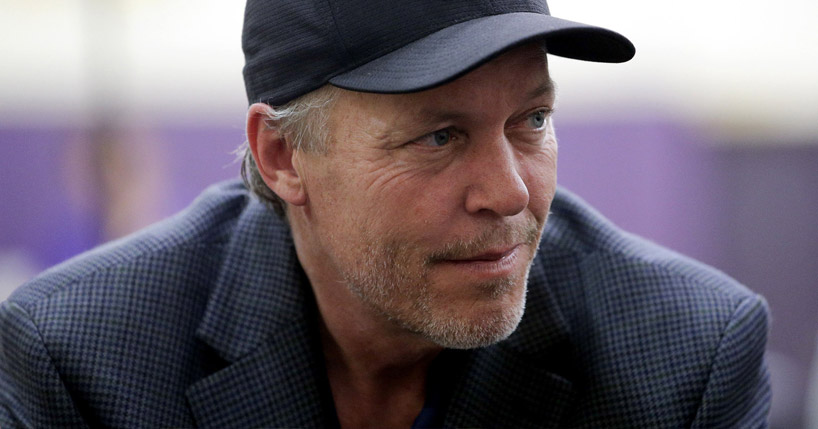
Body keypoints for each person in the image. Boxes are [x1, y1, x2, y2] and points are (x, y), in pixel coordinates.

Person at [0, 0, 771, 427]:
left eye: (532, 120)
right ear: (283, 155)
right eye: (441, 136)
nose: (509, 193)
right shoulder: (85, 362)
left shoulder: (684, 358)